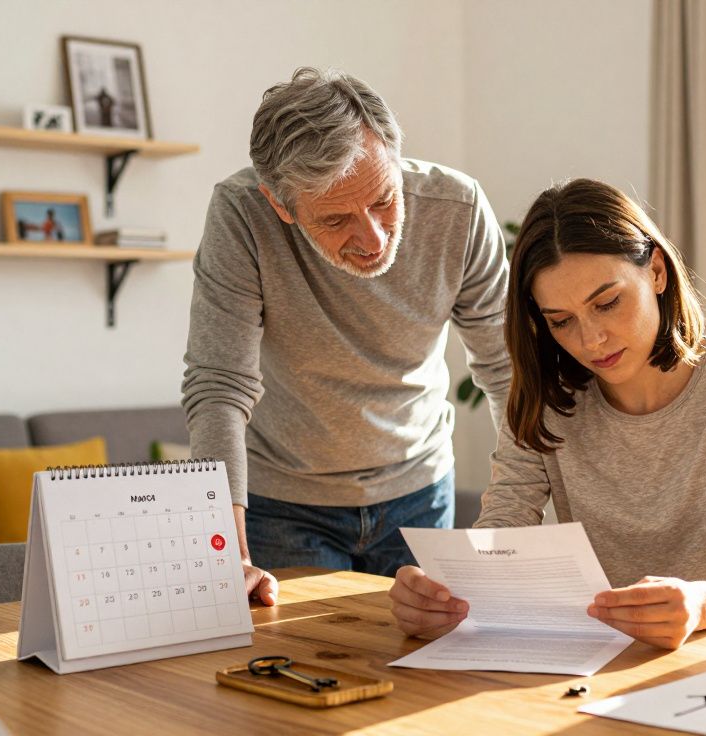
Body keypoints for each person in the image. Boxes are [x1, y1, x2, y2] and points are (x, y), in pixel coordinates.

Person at [388, 179, 706, 649]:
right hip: (595, 654)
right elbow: (503, 529)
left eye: (607, 303)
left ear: (658, 272)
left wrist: (703, 604)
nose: (591, 340)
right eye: (561, 321)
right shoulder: (548, 394)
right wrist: (446, 594)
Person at [182, 68, 510, 607]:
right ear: (281, 205)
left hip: (419, 488)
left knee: (424, 668)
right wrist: (227, 547)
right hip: (284, 501)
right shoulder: (241, 214)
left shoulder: (459, 209)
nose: (374, 238)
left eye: (384, 199)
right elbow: (219, 385)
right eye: (336, 219)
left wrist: (513, 526)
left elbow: (506, 370)